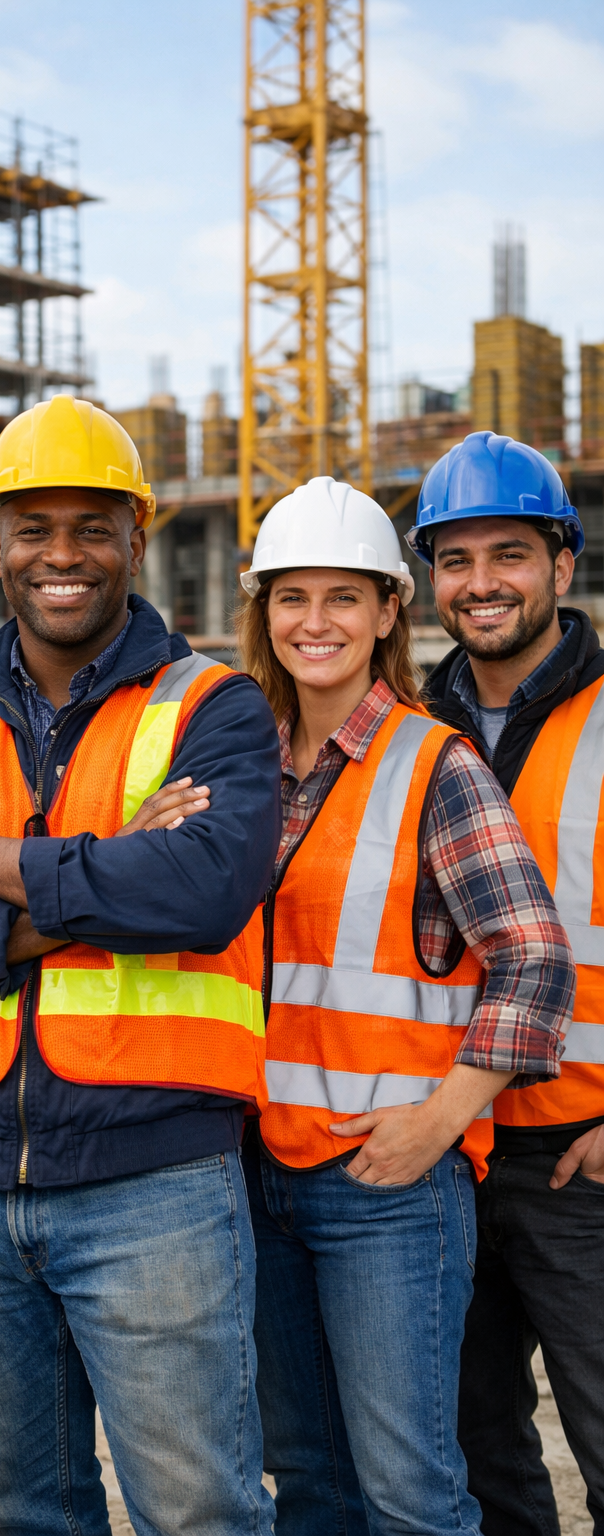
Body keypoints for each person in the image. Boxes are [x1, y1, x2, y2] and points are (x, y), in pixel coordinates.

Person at [0, 396, 282, 1536]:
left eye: (91, 527)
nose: (61, 555)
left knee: (200, 1513)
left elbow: (202, 892)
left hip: (155, 1181)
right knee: (21, 1514)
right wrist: (99, 878)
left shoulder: (213, 707)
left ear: (137, 537)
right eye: (33, 528)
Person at [235, 473, 575, 1536]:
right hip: (256, 1171)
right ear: (263, 611)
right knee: (309, 1480)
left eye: (344, 597)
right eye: (292, 598)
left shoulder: (436, 764)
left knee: (410, 1494)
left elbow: (534, 962)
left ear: (389, 611)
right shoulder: (240, 763)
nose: (316, 622)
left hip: (385, 1186)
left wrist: (442, 1119)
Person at [416, 430, 604, 1536]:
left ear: (562, 565)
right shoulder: (405, 727)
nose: (480, 583)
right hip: (444, 1145)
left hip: (582, 1158)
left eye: (509, 555)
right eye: (456, 560)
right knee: (475, 1454)